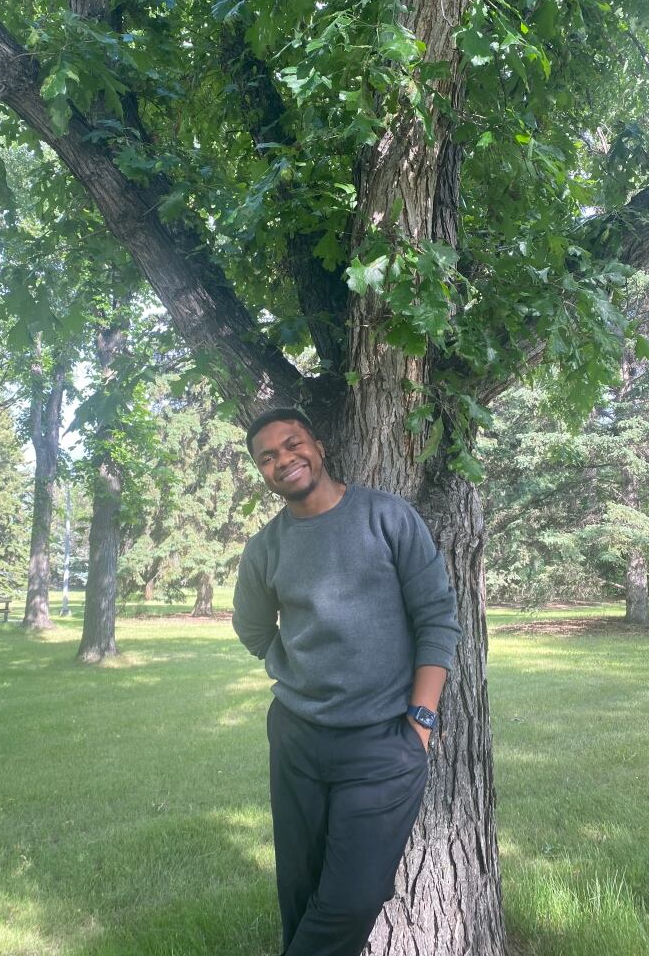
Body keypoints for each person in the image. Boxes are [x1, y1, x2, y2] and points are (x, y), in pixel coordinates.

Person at [233, 407, 461, 956]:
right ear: (262, 473)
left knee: (353, 898)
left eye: (292, 444)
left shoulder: (386, 516)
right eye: (268, 457)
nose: (283, 460)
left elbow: (437, 618)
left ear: (319, 445)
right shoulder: (265, 548)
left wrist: (421, 723)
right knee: (300, 888)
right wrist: (298, 671)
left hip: (383, 745)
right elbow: (253, 628)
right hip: (297, 739)